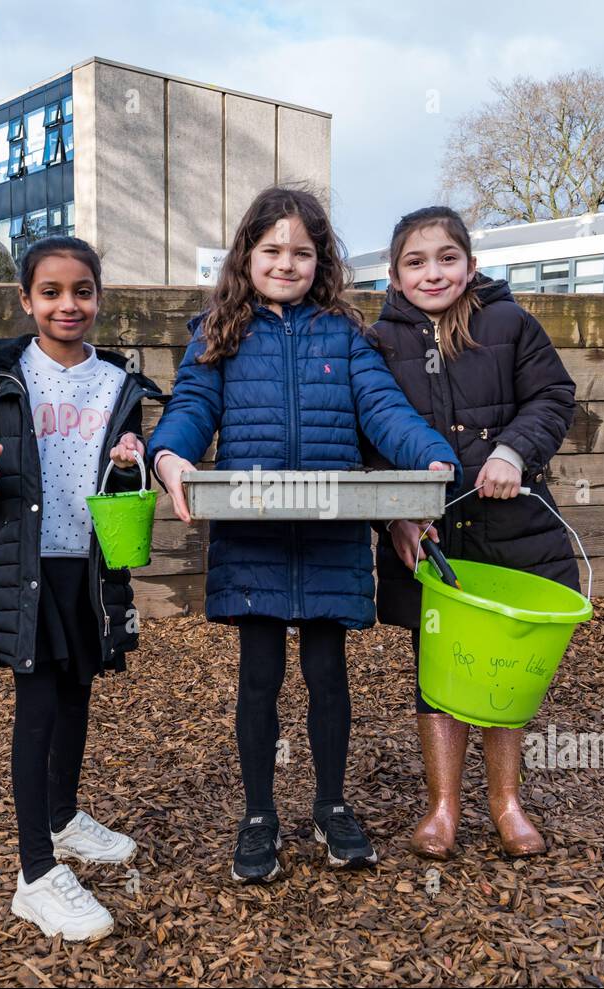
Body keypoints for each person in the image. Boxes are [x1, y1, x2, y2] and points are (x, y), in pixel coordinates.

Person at [147, 186, 462, 883]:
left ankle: (331, 804)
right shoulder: (217, 331)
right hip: (253, 541)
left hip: (331, 539)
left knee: (328, 676)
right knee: (258, 678)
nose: (286, 263)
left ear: (320, 262)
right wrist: (168, 454)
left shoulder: (345, 336)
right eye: (272, 250)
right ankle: (259, 813)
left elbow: (382, 408)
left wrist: (428, 453)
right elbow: (192, 408)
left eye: (301, 252)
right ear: (247, 256)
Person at [0, 236, 164, 940]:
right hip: (24, 565)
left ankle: (62, 819)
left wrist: (133, 460)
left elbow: (126, 474)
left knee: (77, 690)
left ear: (99, 296)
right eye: (53, 291)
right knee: (35, 704)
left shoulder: (118, 382)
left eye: (84, 290)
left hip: (87, 569)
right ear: (27, 300)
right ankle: (34, 873)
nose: (70, 304)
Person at [369, 206, 580, 860]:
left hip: (512, 531)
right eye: (416, 261)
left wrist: (514, 452)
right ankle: (443, 806)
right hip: (433, 538)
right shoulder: (377, 345)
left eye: (446, 258)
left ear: (471, 264)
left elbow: (552, 397)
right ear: (394, 274)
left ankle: (506, 803)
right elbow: (368, 436)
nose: (433, 272)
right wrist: (396, 515)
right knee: (440, 672)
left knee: (505, 670)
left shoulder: (511, 325)